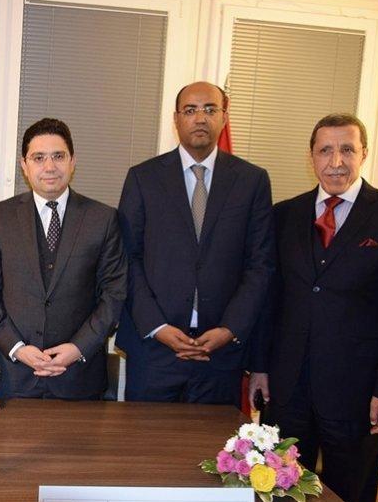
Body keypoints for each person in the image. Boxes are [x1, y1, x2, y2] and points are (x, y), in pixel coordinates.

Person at [249, 113, 378, 502]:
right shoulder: (283, 215)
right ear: (311, 156)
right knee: (279, 494)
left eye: (347, 149)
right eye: (325, 150)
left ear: (364, 153)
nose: (336, 161)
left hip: (358, 394)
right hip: (287, 387)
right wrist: (259, 366)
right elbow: (268, 300)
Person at [116, 81, 274, 405]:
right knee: (146, 438)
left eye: (210, 109)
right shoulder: (143, 178)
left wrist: (229, 329)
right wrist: (157, 327)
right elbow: (127, 259)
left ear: (224, 117)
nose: (200, 118)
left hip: (219, 355)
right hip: (154, 352)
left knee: (214, 439)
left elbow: (260, 265)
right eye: (190, 110)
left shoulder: (252, 181)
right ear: (176, 119)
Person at [0, 118, 127, 400]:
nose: (49, 166)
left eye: (58, 156)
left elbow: (113, 294)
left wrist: (78, 348)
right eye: (38, 157)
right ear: (24, 165)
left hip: (79, 377)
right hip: (13, 376)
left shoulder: (103, 219)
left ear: (72, 161)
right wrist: (17, 348)